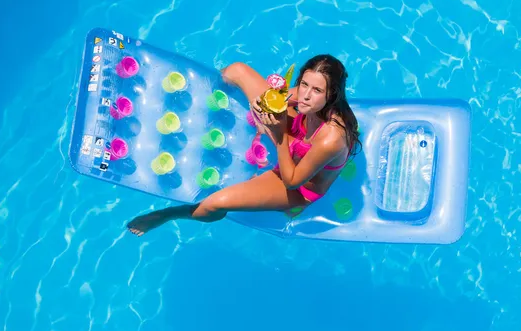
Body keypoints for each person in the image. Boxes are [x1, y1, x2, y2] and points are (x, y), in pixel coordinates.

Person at [127, 54, 361, 236]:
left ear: (332, 96)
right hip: (293, 139)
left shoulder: (332, 138)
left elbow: (292, 180)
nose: (306, 95)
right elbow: (285, 96)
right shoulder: (306, 97)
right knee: (236, 71)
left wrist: (278, 133)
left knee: (213, 204)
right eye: (304, 84)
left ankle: (169, 214)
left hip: (299, 184)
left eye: (317, 90)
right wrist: (265, 108)